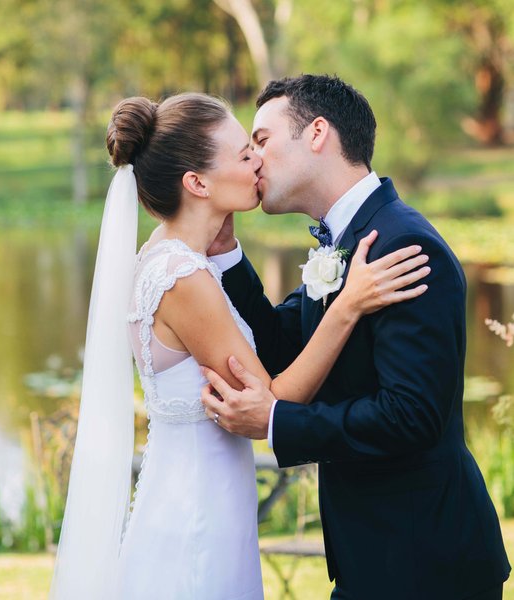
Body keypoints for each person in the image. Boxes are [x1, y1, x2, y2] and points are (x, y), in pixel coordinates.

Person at [49, 92, 430, 600]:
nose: (257, 160)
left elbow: (268, 349)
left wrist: (227, 253)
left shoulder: (173, 259)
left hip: (196, 494)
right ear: (198, 182)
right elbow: (276, 396)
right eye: (243, 151)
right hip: (199, 513)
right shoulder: (183, 275)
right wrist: (346, 306)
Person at [201, 75, 511, 600]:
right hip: (375, 556)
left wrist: (276, 421)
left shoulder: (402, 244)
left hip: (425, 562)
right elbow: (282, 346)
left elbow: (411, 415)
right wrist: (228, 254)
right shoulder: (343, 240)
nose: (252, 159)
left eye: (262, 140)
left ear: (317, 133)